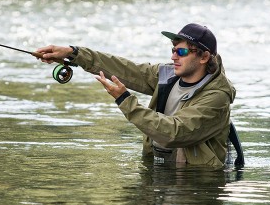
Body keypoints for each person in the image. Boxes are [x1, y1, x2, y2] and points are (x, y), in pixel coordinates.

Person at [37, 23, 236, 167]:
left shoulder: (217, 97)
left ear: (204, 57)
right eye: (173, 50)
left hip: (197, 182)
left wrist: (125, 100)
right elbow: (125, 69)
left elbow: (174, 133)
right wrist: (74, 53)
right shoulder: (167, 74)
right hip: (159, 169)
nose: (173, 56)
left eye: (181, 52)